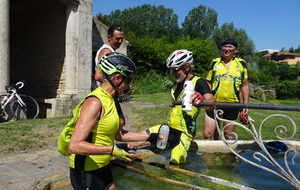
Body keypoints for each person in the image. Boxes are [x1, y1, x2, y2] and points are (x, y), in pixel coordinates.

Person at [68, 52, 156, 190]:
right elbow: (74, 146)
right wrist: (112, 150)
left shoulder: (110, 99)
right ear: (117, 78)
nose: (128, 86)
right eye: (128, 81)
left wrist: (150, 136)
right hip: (87, 170)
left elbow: (118, 134)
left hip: (102, 165)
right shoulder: (94, 102)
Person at [131, 50, 215, 165]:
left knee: (176, 164)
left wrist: (202, 100)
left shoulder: (199, 82)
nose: (173, 74)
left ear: (186, 67)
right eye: (171, 70)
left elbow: (211, 102)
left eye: (175, 70)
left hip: (184, 132)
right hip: (168, 128)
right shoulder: (177, 84)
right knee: (135, 140)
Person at [203, 39, 250, 140]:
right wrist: (208, 99)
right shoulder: (215, 62)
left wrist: (245, 104)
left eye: (230, 47)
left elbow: (245, 84)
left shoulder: (241, 63)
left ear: (236, 50)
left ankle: (229, 155)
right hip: (214, 103)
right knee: (208, 134)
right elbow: (208, 82)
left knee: (228, 134)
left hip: (232, 103)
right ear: (221, 49)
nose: (227, 49)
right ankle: (211, 154)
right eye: (225, 47)